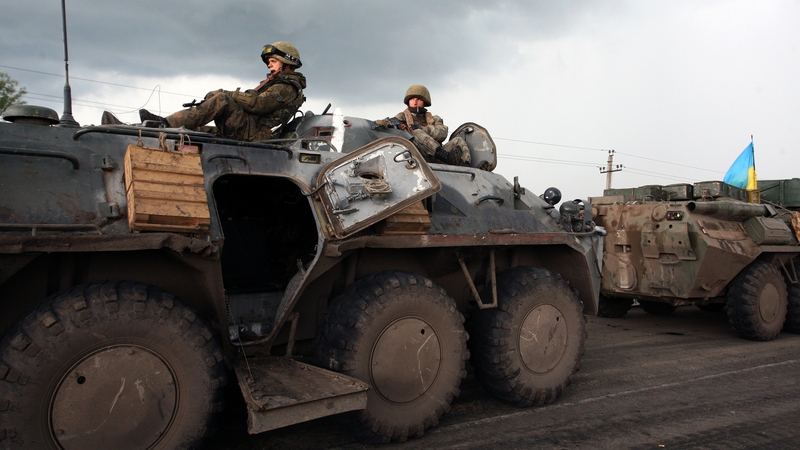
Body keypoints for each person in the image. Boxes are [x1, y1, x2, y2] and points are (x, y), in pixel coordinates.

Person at [139, 41, 306, 142]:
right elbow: (253, 98)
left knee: (223, 100)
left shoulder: (286, 87)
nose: (269, 65)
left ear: (286, 62)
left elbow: (258, 104)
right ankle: (146, 128)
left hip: (253, 134)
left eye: (273, 61)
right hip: (247, 130)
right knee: (191, 132)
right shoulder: (275, 83)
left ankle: (165, 124)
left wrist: (227, 94)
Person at [376, 84, 470, 166]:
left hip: (438, 158)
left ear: (424, 101)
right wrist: (388, 124)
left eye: (418, 99)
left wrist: (422, 129)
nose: (415, 102)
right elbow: (388, 122)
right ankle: (447, 157)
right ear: (408, 101)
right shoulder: (402, 117)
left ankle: (467, 166)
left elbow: (443, 133)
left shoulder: (434, 118)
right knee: (416, 132)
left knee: (459, 140)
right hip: (417, 156)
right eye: (412, 99)